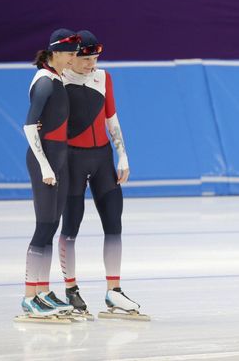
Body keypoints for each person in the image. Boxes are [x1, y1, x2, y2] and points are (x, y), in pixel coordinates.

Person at [57, 30, 140, 317]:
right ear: (71, 59)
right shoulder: (59, 80)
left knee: (114, 223)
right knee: (71, 226)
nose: (91, 64)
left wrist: (123, 154)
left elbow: (111, 117)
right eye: (86, 59)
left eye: (95, 58)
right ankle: (71, 289)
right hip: (72, 160)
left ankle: (114, 292)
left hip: (102, 157)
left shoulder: (103, 77)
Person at [20, 29, 79, 318]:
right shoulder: (45, 81)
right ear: (54, 52)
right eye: (70, 53)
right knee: (43, 226)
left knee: (52, 225)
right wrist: (45, 166)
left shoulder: (57, 78)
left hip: (60, 156)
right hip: (46, 160)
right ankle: (29, 295)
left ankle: (42, 290)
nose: (74, 58)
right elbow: (30, 126)